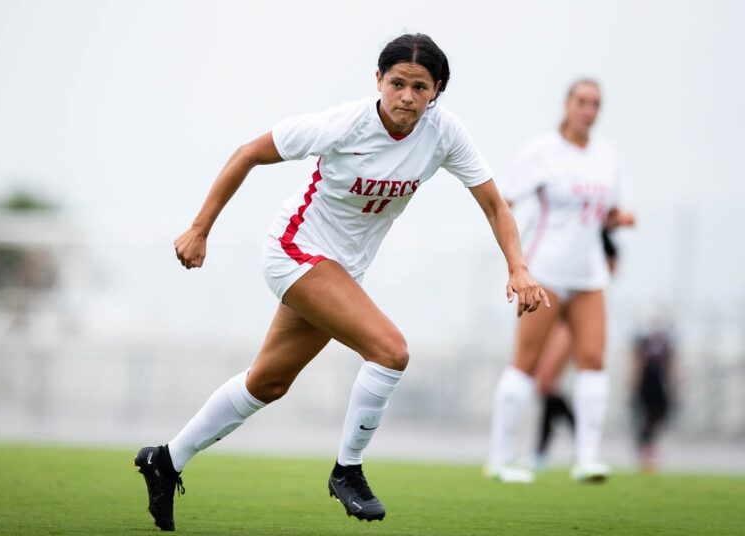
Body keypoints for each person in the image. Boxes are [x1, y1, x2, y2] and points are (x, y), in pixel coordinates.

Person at [134, 33, 548, 531]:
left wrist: (518, 266)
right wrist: (200, 229)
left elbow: (495, 204)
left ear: (437, 90)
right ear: (378, 80)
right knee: (390, 351)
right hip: (295, 250)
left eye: (420, 87)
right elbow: (247, 154)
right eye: (397, 83)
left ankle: (166, 460)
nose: (406, 97)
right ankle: (347, 470)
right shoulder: (344, 124)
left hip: (341, 271)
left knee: (267, 383)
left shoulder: (444, 133)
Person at [486, 79, 635, 484]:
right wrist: (516, 262)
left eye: (595, 103)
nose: (588, 110)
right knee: (526, 363)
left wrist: (618, 219)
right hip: (545, 274)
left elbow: (606, 214)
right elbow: (501, 201)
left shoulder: (607, 155)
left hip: (589, 275)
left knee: (593, 360)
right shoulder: (542, 151)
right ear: (567, 104)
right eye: (581, 101)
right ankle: (500, 459)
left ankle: (587, 459)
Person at [534, 229, 619, 468]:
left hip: (573, 316)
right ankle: (544, 449)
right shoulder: (560, 234)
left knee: (548, 380)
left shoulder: (594, 232)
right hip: (555, 311)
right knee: (545, 384)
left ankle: (578, 444)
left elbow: (612, 262)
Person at [631, 319, 676, 473]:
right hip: (647, 382)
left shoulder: (666, 342)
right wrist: (635, 383)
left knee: (658, 415)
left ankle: (647, 445)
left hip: (659, 382)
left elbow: (671, 363)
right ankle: (646, 450)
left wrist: (673, 383)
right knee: (646, 417)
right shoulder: (643, 341)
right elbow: (637, 361)